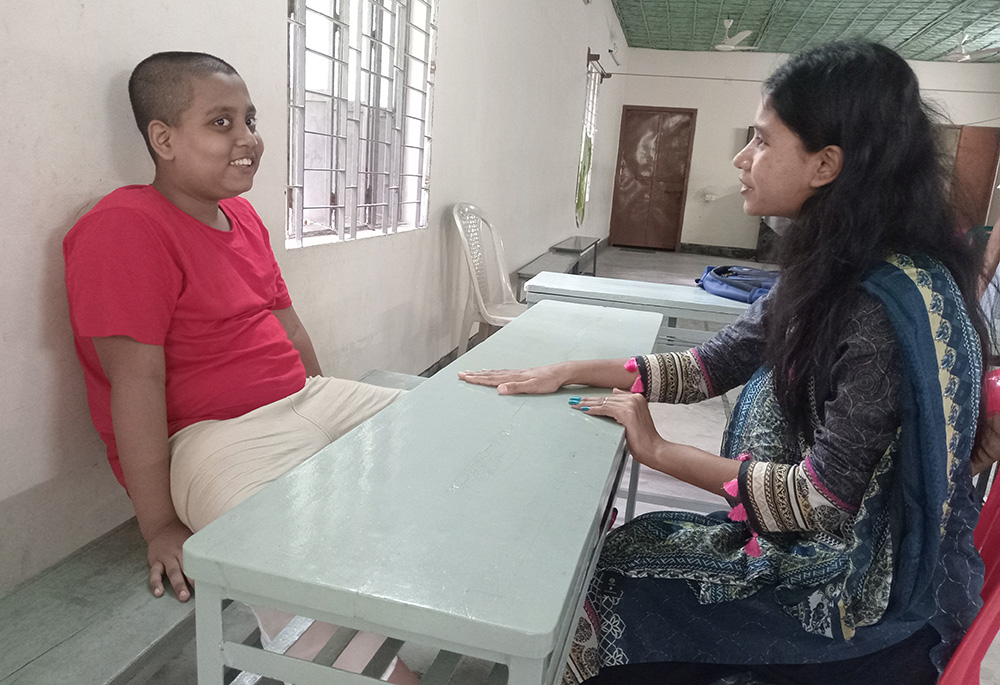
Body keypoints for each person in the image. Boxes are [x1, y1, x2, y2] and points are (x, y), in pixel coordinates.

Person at [460, 41, 989, 684]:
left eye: (762, 142)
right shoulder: (839, 271)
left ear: (825, 164)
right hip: (823, 555)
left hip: (866, 608)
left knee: (604, 591)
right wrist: (572, 368)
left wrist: (655, 450)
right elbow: (715, 363)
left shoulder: (879, 308)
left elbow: (821, 501)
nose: (742, 159)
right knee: (617, 554)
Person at [64, 52, 412, 680]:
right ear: (163, 138)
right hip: (216, 437)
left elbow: (289, 325)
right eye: (221, 123)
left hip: (307, 400)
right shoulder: (124, 227)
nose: (249, 139)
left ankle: (440, 610)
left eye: (249, 119)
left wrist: (325, 396)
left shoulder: (244, 217)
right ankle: (378, 672)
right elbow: (134, 384)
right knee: (293, 568)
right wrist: (161, 523)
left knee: (456, 434)